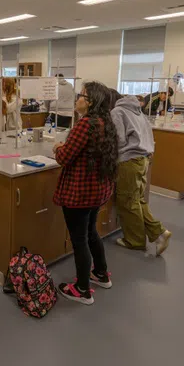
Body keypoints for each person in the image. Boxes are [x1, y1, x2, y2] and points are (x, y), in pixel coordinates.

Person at [53, 82, 117, 305]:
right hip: (97, 191)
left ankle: (82, 289)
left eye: (81, 95)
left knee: (79, 240)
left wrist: (57, 148)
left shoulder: (85, 125)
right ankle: (100, 273)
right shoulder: (105, 123)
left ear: (91, 102)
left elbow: (64, 158)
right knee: (91, 232)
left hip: (80, 193)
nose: (77, 98)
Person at [110, 92, 172, 255]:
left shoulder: (117, 112)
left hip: (129, 159)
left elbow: (119, 139)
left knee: (127, 201)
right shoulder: (138, 111)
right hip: (143, 159)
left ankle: (135, 241)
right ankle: (159, 233)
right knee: (138, 199)